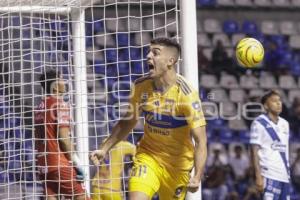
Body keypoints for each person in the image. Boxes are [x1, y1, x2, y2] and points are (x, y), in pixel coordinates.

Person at [90, 37, 207, 200]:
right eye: (148, 51)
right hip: (148, 157)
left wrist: (197, 176)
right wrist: (105, 148)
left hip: (177, 167)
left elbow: (200, 140)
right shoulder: (140, 86)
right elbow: (128, 121)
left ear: (170, 61)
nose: (148, 56)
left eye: (155, 53)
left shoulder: (187, 95)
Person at [35, 70, 89, 200]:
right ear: (55, 86)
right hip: (59, 164)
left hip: (43, 165)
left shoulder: (38, 108)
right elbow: (63, 138)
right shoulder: (59, 104)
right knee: (81, 196)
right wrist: (78, 163)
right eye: (62, 79)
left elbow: (37, 139)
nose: (65, 82)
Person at [250, 90, 290, 200]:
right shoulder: (258, 123)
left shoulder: (285, 124)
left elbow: (285, 150)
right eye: (274, 101)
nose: (278, 103)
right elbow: (254, 151)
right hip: (269, 174)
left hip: (285, 176)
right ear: (266, 106)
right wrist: (258, 176)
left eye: (279, 100)